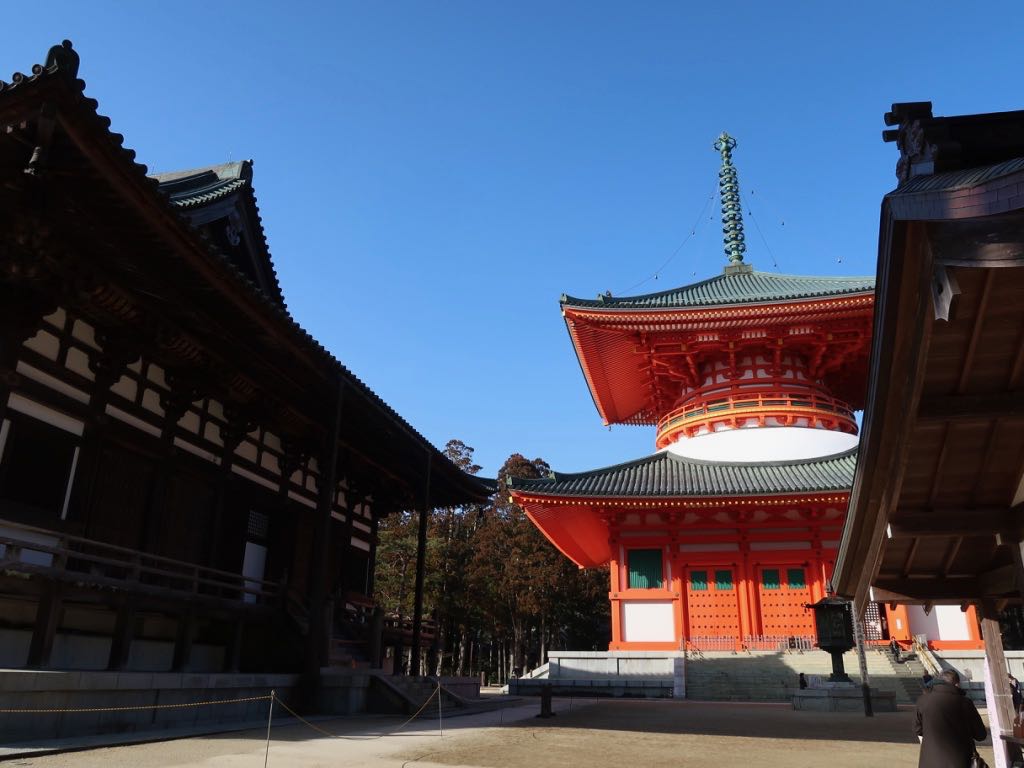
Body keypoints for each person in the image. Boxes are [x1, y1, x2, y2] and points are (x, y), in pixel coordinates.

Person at [914, 669, 986, 768]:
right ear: (956, 684)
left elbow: (918, 729)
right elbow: (981, 735)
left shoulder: (922, 700)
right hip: (959, 760)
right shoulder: (965, 702)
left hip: (929, 761)